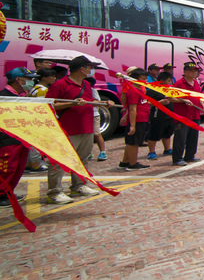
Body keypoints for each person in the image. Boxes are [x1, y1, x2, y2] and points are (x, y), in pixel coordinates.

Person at [46, 56, 108, 204]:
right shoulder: (60, 85)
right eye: (89, 67)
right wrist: (71, 104)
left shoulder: (86, 84)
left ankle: (79, 185)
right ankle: (54, 192)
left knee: (82, 159)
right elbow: (49, 105)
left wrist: (104, 103)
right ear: (82, 69)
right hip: (66, 129)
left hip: (85, 127)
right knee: (59, 160)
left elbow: (88, 102)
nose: (91, 70)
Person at [0, 68, 34, 207]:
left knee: (19, 168)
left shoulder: (22, 96)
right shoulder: (3, 96)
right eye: (27, 79)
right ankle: (1, 194)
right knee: (7, 168)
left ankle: (8, 192)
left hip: (21, 137)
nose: (30, 82)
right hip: (7, 140)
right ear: (18, 80)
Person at [171, 63, 204, 166]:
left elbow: (199, 97)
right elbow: (171, 98)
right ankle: (177, 158)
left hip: (194, 114)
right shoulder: (179, 84)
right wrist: (183, 101)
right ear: (184, 72)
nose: (193, 73)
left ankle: (190, 155)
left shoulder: (196, 83)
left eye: (195, 71)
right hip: (183, 115)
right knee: (181, 137)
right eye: (190, 71)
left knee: (193, 136)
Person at [118, 67, 151, 170]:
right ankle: (132, 164)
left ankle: (125, 162)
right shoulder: (133, 91)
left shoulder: (139, 89)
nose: (145, 81)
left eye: (146, 79)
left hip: (142, 118)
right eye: (143, 78)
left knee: (131, 142)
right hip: (137, 119)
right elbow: (132, 109)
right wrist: (132, 125)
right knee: (134, 142)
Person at [26, 67, 58, 173]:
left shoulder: (35, 88)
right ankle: (35, 165)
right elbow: (43, 108)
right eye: (52, 76)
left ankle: (30, 163)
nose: (54, 78)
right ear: (44, 78)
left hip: (32, 118)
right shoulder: (42, 90)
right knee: (37, 142)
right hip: (38, 120)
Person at [146, 71, 176, 160]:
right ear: (161, 80)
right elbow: (146, 103)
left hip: (170, 115)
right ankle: (151, 152)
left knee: (167, 133)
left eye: (170, 81)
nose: (170, 83)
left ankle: (167, 149)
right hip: (158, 116)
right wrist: (159, 103)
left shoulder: (170, 90)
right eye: (168, 81)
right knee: (154, 134)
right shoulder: (153, 90)